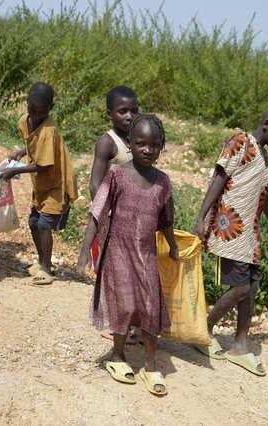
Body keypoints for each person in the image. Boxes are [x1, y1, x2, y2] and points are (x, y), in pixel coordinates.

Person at [76, 114, 179, 396]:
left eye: (155, 144)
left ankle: (150, 364)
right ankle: (117, 355)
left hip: (146, 254)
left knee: (149, 306)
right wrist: (85, 252)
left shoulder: (163, 182)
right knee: (125, 304)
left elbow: (166, 219)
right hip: (118, 251)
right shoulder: (117, 175)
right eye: (141, 143)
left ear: (162, 147)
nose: (148, 149)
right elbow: (97, 212)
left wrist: (172, 245)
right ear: (130, 144)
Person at [193, 105, 268, 377]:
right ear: (266, 124)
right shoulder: (241, 142)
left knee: (251, 287)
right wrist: (201, 217)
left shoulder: (262, 155)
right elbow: (219, 178)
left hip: (249, 234)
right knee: (240, 288)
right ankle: (205, 326)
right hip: (229, 228)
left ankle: (239, 344)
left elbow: (264, 193)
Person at [0, 82, 77, 285]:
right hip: (42, 185)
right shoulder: (26, 121)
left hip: (56, 185)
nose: (35, 114)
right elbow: (33, 145)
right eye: (32, 109)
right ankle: (43, 262)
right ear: (27, 103)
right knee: (33, 222)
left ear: (50, 108)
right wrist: (21, 152)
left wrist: (16, 170)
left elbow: (43, 165)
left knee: (43, 225)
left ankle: (46, 268)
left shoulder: (49, 130)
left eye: (41, 111)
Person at [89, 85, 141, 344]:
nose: (129, 116)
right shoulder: (108, 142)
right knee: (116, 275)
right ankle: (113, 324)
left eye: (134, 110)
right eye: (123, 111)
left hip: (140, 221)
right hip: (116, 220)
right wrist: (106, 217)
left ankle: (132, 324)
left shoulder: (140, 138)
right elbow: (95, 184)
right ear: (110, 114)